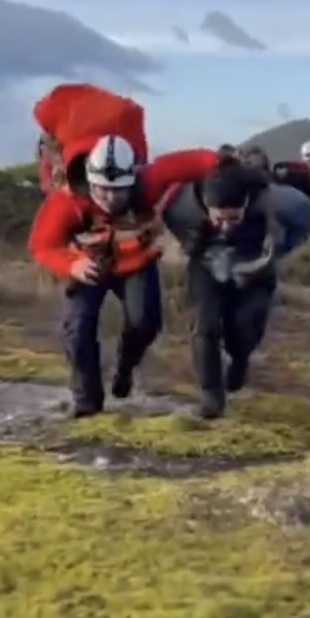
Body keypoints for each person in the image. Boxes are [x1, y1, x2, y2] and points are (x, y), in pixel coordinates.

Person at [28, 134, 220, 417]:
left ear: (133, 179)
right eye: (101, 189)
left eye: (119, 190)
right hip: (89, 265)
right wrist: (71, 265)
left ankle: (125, 367)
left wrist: (226, 165)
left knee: (146, 323)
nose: (109, 197)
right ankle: (87, 400)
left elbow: (192, 162)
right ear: (89, 180)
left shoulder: (150, 180)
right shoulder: (66, 201)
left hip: (136, 262)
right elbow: (42, 245)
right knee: (77, 330)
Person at [158, 157, 310, 418]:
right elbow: (168, 220)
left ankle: (239, 362)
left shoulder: (279, 202)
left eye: (234, 219)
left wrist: (279, 247)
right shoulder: (181, 205)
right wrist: (191, 241)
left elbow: (306, 221)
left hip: (255, 267)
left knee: (243, 328)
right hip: (207, 265)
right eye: (219, 219)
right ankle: (211, 397)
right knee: (205, 327)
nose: (227, 226)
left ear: (246, 203)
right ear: (205, 207)